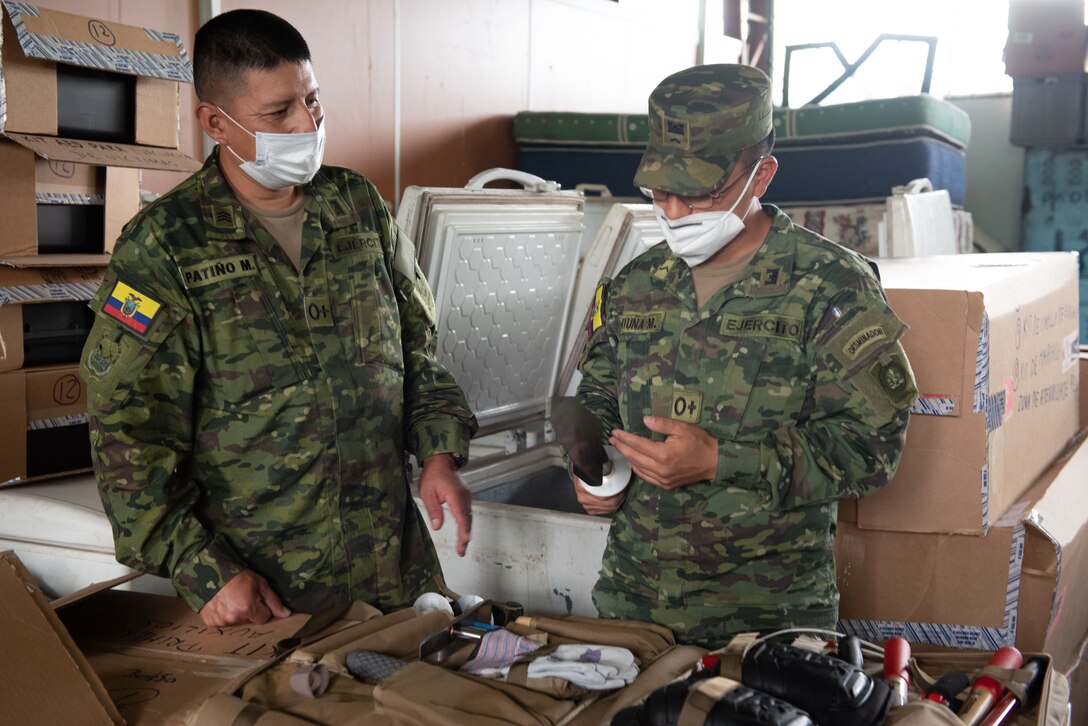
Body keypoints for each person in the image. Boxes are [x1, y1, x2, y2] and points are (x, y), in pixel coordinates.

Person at [80, 9, 477, 628]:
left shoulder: (357, 208)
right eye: (278, 112)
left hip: (395, 574)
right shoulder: (166, 246)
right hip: (266, 591)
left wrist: (438, 454)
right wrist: (201, 567)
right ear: (216, 122)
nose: (307, 124)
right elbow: (129, 435)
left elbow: (417, 356)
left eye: (313, 101)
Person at [572, 64, 917, 648]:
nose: (675, 212)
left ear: (762, 175)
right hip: (632, 604)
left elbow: (873, 447)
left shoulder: (831, 285)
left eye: (700, 190)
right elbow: (599, 391)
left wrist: (719, 461)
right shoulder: (635, 283)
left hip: (766, 620)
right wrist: (590, 462)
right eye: (661, 190)